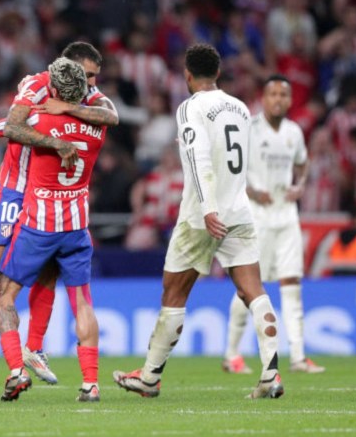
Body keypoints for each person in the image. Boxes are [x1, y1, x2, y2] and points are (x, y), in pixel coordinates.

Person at [113, 44, 284, 400]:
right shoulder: (240, 107)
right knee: (254, 291)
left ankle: (149, 378)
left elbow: (199, 158)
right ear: (218, 74)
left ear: (187, 75)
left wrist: (207, 208)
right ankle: (271, 374)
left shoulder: (190, 107)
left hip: (201, 216)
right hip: (239, 210)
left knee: (174, 293)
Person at [0, 41, 118, 385]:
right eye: (88, 75)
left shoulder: (83, 94)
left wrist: (65, 109)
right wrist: (55, 140)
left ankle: (34, 347)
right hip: (17, 185)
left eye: (95, 77)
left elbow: (111, 116)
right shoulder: (35, 84)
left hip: (46, 195)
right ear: (69, 68)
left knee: (48, 269)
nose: (93, 84)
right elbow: (9, 128)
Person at [0, 57, 106, 402]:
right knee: (83, 303)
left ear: (55, 90)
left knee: (4, 295)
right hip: (77, 227)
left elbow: (4, 128)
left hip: (38, 227)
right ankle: (90, 383)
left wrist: (31, 101)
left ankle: (16, 371)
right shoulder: (98, 128)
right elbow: (106, 114)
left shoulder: (39, 120)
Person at [223, 75, 324, 375]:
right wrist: (250, 190)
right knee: (249, 286)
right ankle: (231, 355)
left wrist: (301, 184)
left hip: (287, 215)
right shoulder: (249, 129)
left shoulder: (294, 132)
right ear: (263, 98)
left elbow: (303, 163)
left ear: (290, 100)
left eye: (283, 94)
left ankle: (298, 357)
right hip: (256, 217)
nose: (278, 99)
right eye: (272, 94)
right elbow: (231, 165)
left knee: (291, 284)